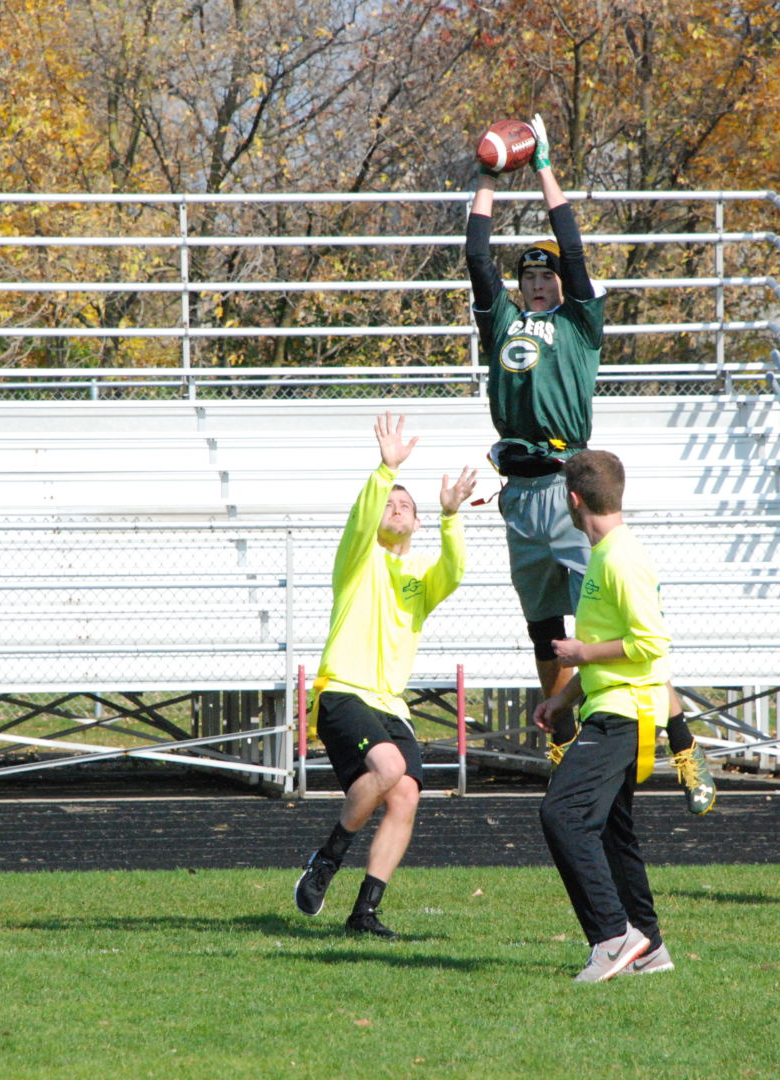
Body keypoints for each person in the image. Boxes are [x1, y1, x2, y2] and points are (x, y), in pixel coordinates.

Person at [466, 113, 714, 814]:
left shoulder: (579, 322)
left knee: (607, 634)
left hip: (567, 486)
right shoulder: (505, 322)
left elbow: (574, 250)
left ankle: (683, 743)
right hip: (519, 492)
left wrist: (542, 170)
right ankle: (560, 736)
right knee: (544, 630)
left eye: (547, 275)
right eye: (530, 275)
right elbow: (474, 257)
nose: (540, 282)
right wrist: (487, 178)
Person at [293, 413, 477, 938]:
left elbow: (455, 569)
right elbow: (365, 511)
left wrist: (449, 515)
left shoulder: (421, 575)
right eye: (389, 505)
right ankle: (326, 860)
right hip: (343, 691)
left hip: (390, 702)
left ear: (416, 523)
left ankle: (364, 913)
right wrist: (386, 469)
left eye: (406, 506)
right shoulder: (358, 558)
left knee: (406, 796)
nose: (396, 509)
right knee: (391, 766)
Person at [533, 449, 678, 981]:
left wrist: (578, 655)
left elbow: (650, 642)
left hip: (625, 714)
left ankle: (613, 937)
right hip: (609, 705)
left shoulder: (620, 558)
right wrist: (563, 698)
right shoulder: (605, 555)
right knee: (613, 834)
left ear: (574, 500)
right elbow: (609, 645)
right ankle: (651, 946)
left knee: (562, 815)